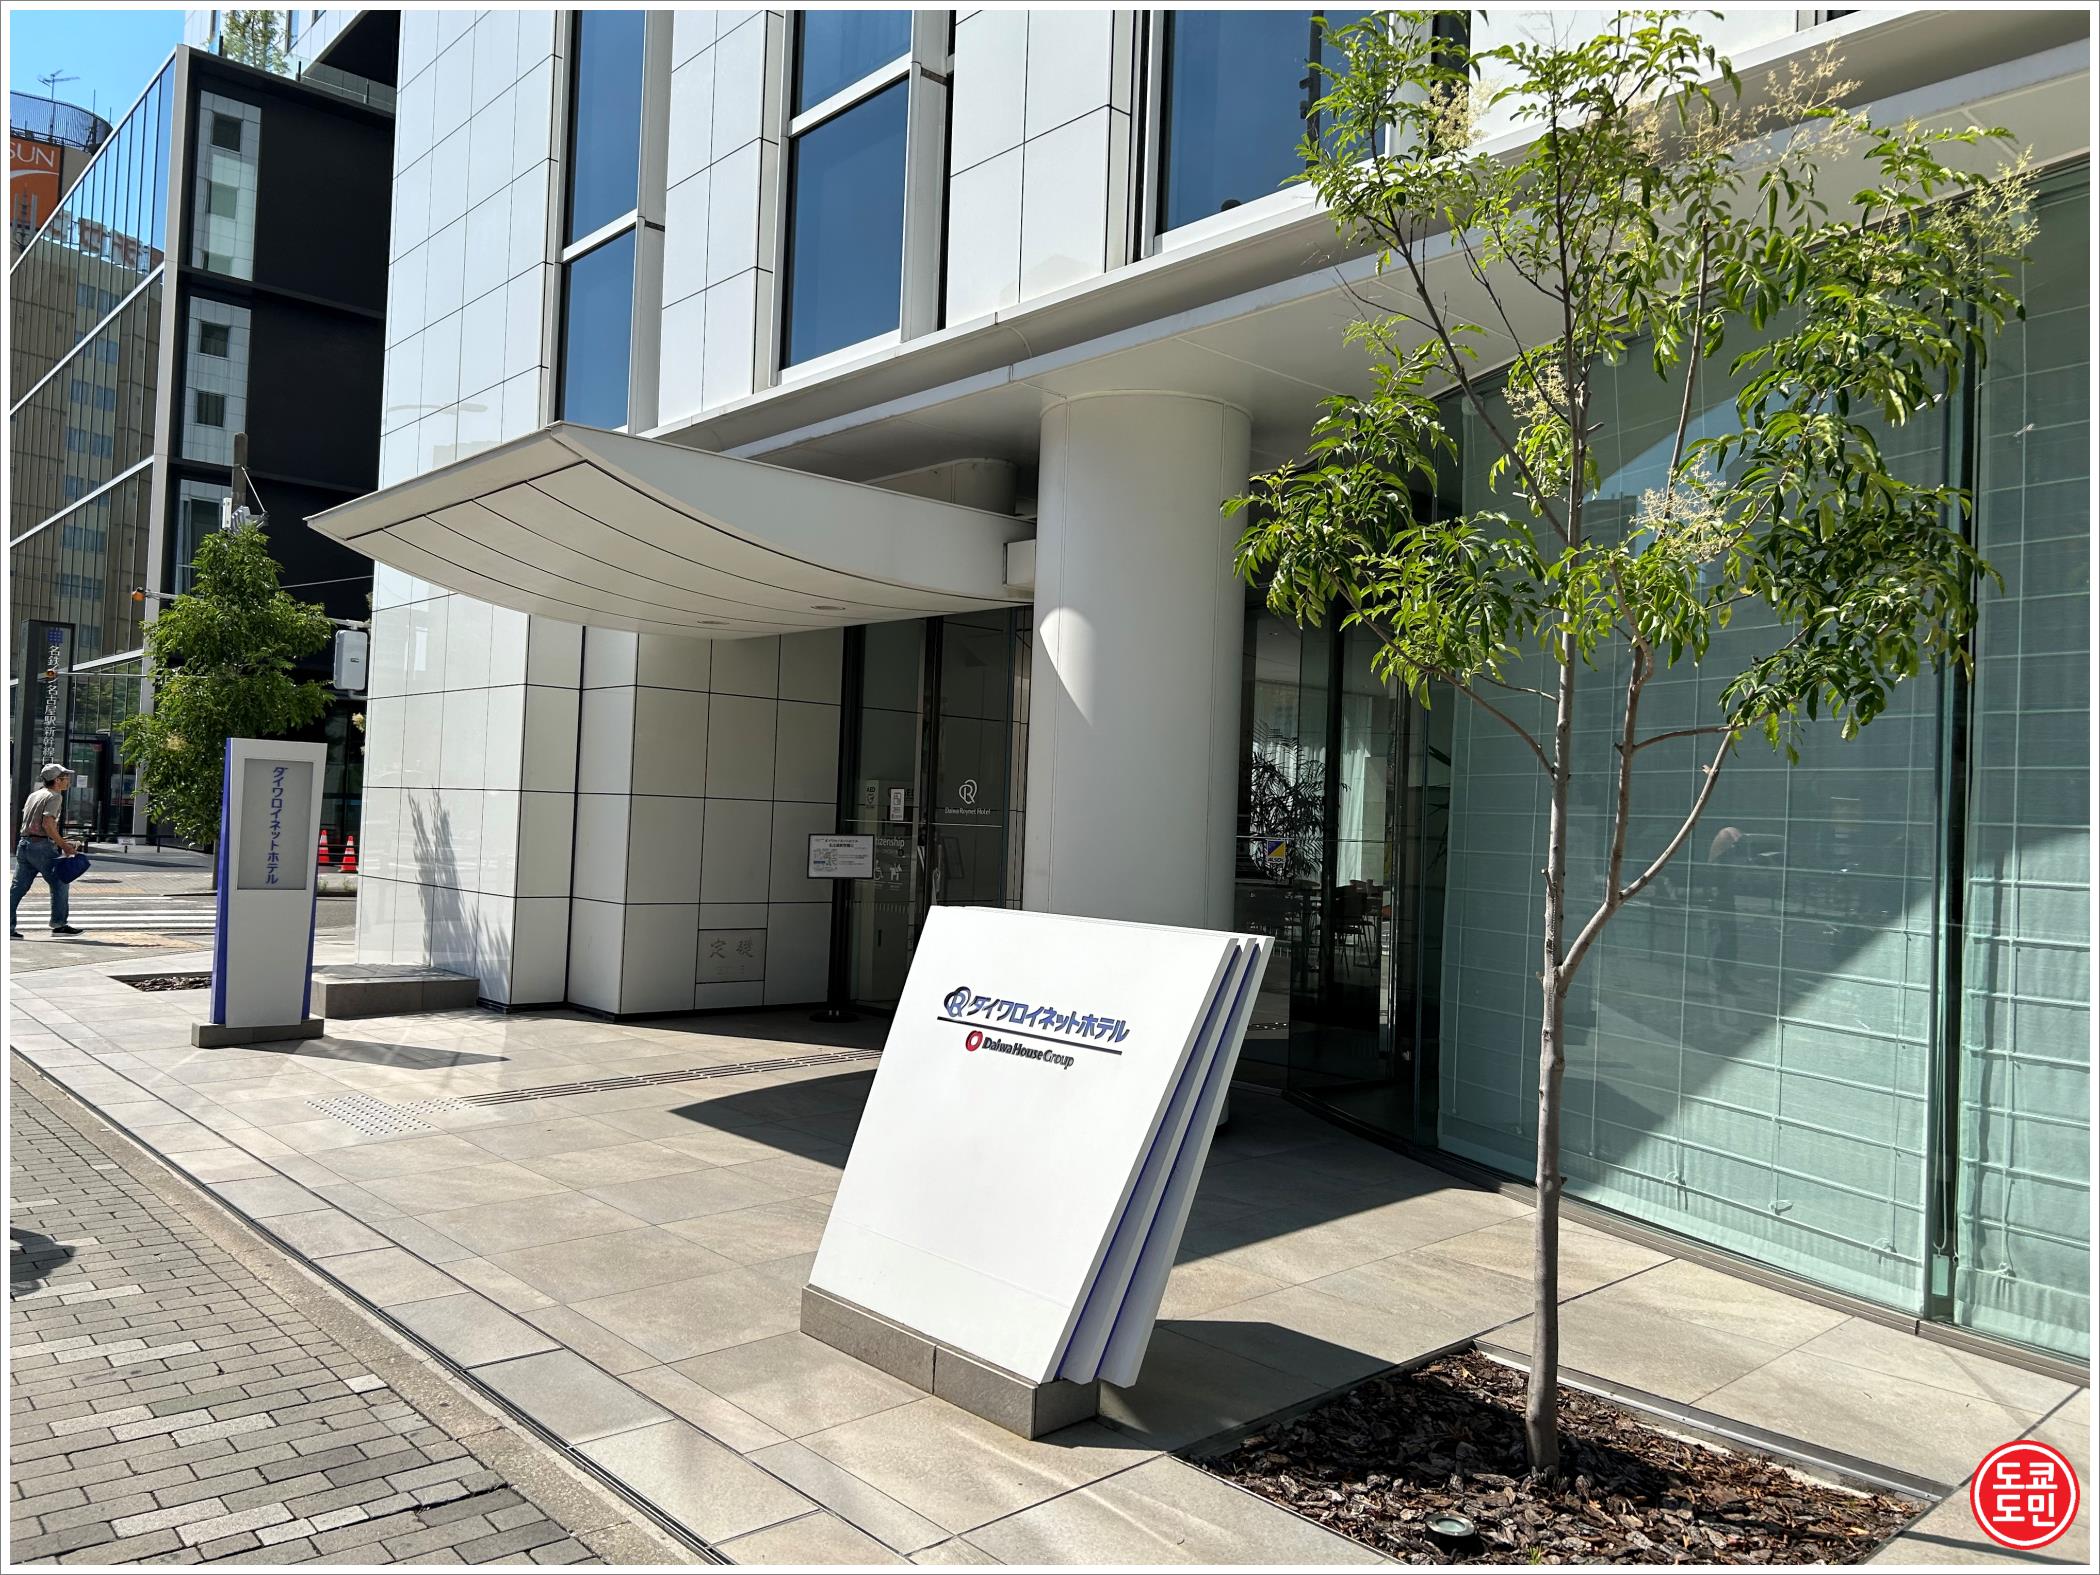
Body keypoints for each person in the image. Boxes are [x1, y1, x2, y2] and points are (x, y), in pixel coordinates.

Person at [12, 763, 84, 939]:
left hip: (24, 844)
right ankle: (59, 925)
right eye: (66, 777)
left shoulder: (35, 795)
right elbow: (47, 824)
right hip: (41, 846)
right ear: (57, 780)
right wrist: (64, 845)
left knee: (18, 888)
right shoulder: (54, 796)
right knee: (60, 881)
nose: (68, 780)